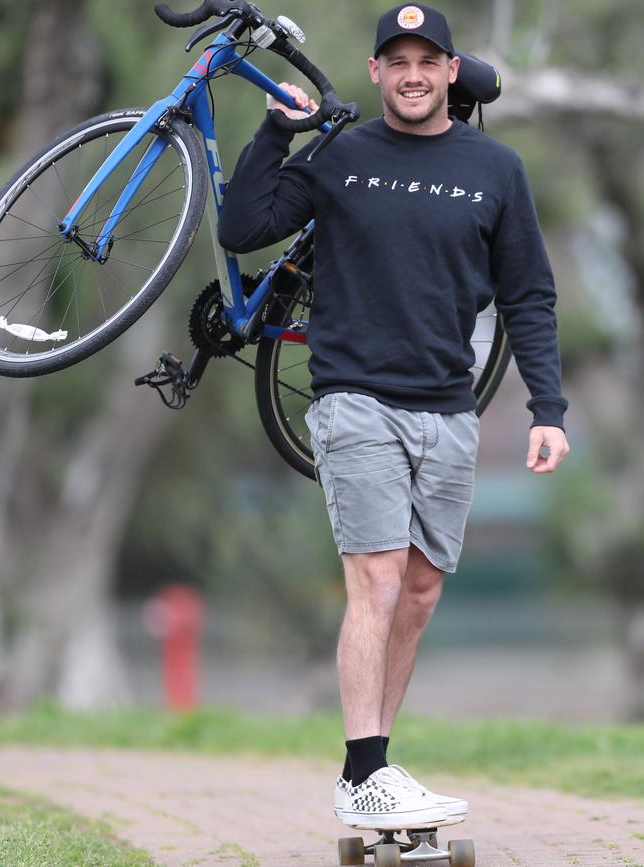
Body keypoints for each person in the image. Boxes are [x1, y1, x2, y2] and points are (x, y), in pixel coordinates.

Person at [218, 3, 570, 831]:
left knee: (416, 591)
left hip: (449, 409)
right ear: (376, 72)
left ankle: (367, 769)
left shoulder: (497, 169)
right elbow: (241, 227)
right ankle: (367, 770)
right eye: (396, 60)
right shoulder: (341, 155)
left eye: (428, 60)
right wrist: (275, 134)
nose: (412, 74)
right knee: (375, 577)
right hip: (353, 397)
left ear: (451, 72)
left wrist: (547, 408)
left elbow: (529, 295)